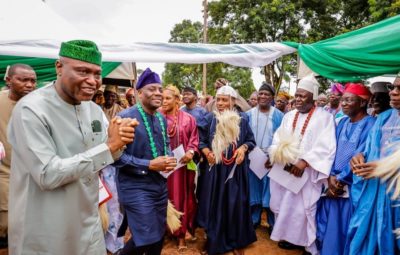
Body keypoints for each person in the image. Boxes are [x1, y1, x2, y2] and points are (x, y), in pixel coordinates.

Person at [7, 40, 137, 255]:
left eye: (96, 73)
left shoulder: (94, 110)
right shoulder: (31, 110)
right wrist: (110, 146)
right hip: (45, 226)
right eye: (82, 71)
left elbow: (110, 152)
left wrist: (121, 137)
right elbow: (47, 174)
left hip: (88, 220)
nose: (92, 81)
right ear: (59, 67)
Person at [268, 74, 336, 254]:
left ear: (313, 98)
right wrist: (275, 154)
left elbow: (327, 145)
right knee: (285, 206)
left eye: (302, 96)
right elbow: (278, 137)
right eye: (296, 95)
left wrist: (305, 162)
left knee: (305, 210)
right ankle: (292, 239)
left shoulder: (324, 118)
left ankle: (308, 243)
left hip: (307, 173)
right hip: (286, 170)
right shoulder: (289, 116)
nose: (297, 99)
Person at [114, 68, 177, 255]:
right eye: (152, 89)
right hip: (134, 186)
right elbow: (115, 157)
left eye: (160, 89)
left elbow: (166, 144)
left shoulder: (160, 118)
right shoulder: (125, 117)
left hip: (159, 184)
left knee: (158, 235)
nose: (158, 93)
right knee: (147, 237)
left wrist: (170, 157)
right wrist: (149, 165)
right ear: (138, 92)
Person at [315, 83, 375, 255]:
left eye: (349, 100)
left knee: (345, 228)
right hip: (333, 183)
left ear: (363, 103)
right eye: (343, 100)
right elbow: (330, 150)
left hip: (352, 188)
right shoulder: (341, 123)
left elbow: (363, 153)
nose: (344, 104)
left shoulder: (371, 125)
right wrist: (330, 177)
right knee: (329, 226)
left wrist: (341, 180)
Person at [197, 85, 257, 255]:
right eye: (218, 100)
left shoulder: (242, 119)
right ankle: (213, 240)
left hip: (235, 172)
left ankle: (237, 241)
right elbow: (200, 140)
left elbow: (251, 141)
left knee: (235, 204)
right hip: (215, 171)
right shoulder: (210, 118)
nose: (220, 103)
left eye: (225, 100)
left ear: (233, 101)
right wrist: (207, 151)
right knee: (214, 204)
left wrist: (243, 149)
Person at [346, 76, 400, 254]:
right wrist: (359, 157)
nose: (393, 92)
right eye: (393, 87)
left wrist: (386, 167)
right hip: (373, 195)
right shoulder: (383, 118)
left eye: (399, 89)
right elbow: (370, 150)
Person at [0, 64, 36, 249]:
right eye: (23, 80)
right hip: (4, 173)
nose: (29, 85)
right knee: (6, 224)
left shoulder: (39, 105)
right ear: (8, 80)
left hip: (33, 175)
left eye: (33, 81)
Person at [161, 85, 199, 251]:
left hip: (181, 168)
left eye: (168, 98)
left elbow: (194, 139)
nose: (163, 101)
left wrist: (191, 152)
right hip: (161, 168)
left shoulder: (188, 119)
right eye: (162, 98)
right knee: (161, 199)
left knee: (181, 198)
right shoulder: (156, 117)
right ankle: (162, 232)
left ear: (177, 100)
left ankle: (181, 234)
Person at [246, 82, 284, 231]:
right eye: (260, 93)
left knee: (271, 191)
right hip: (253, 158)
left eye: (266, 94)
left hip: (271, 160)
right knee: (253, 189)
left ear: (272, 97)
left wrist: (273, 156)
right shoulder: (248, 114)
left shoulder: (279, 116)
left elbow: (283, 138)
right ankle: (254, 220)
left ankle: (272, 223)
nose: (262, 96)